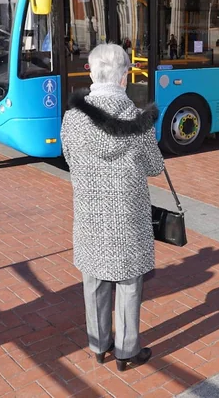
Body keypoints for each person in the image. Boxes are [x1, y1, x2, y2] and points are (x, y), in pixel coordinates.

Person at [60, 43, 164, 372]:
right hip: (128, 215)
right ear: (123, 77)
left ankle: (97, 344)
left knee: (93, 279)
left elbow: (69, 158)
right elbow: (154, 166)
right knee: (129, 282)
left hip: (91, 211)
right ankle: (127, 351)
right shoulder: (137, 117)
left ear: (92, 72)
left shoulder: (74, 117)